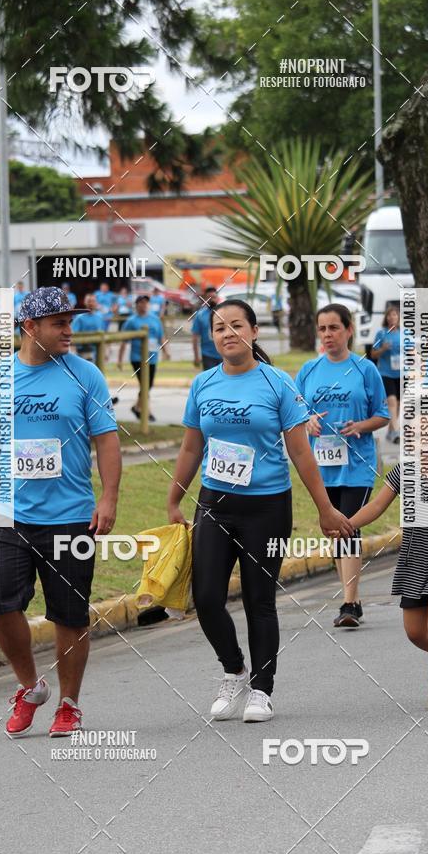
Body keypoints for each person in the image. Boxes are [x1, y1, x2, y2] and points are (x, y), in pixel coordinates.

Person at [167, 299, 355, 723]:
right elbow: (192, 446)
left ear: (253, 332)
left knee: (259, 600)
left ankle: (261, 690)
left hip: (267, 507)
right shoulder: (203, 385)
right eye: (219, 329)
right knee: (208, 596)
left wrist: (325, 509)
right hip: (216, 504)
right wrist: (175, 496)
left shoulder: (277, 383)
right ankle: (234, 669)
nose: (228, 333)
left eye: (236, 325)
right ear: (211, 338)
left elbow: (301, 452)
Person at [0, 286, 122, 737]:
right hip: (7, 514)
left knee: (69, 614)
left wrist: (108, 499)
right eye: (59, 323)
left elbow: (106, 441)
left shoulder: (86, 376)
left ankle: (68, 703)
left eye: (71, 321)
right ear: (30, 327)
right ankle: (30, 686)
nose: (70, 330)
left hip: (71, 515)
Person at [348, 390, 428, 710]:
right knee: (415, 632)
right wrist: (346, 524)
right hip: (413, 561)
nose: (424, 441)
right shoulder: (403, 474)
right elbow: (376, 506)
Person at [296, 304, 390, 628]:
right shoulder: (308, 370)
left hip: (358, 463)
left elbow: (383, 414)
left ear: (349, 330)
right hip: (322, 464)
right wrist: (307, 422)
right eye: (322, 329)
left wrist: (361, 426)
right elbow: (295, 414)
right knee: (335, 529)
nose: (327, 335)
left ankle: (350, 604)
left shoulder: (365, 370)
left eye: (334, 328)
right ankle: (351, 597)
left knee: (349, 525)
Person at [117, 295, 170, 422]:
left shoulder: (155, 319)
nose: (144, 304)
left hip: (152, 357)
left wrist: (166, 351)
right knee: (145, 385)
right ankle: (147, 411)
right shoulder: (131, 321)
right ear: (136, 305)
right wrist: (119, 359)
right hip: (137, 358)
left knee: (148, 385)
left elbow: (161, 337)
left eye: (146, 302)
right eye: (141, 302)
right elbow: (124, 341)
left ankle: (137, 407)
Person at [371, 304, 401, 443]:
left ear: (399, 317)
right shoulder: (381, 334)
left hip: (401, 374)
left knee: (398, 404)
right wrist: (383, 348)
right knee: (392, 402)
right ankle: (396, 432)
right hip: (385, 373)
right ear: (386, 318)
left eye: (395, 314)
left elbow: (413, 352)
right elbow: (373, 354)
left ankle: (390, 432)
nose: (392, 317)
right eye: (389, 315)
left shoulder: (404, 334)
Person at [71, 294, 107, 363]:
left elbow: (104, 336)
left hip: (97, 351)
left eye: (93, 301)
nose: (91, 303)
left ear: (96, 303)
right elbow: (73, 336)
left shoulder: (100, 317)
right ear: (85, 302)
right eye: (89, 301)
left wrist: (105, 353)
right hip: (83, 352)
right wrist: (73, 352)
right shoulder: (79, 318)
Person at [192, 287, 220, 370]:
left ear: (218, 298)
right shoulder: (200, 315)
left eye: (214, 297)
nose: (211, 300)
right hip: (207, 354)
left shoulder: (224, 314)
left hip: (224, 354)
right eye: (209, 298)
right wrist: (196, 356)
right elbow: (195, 337)